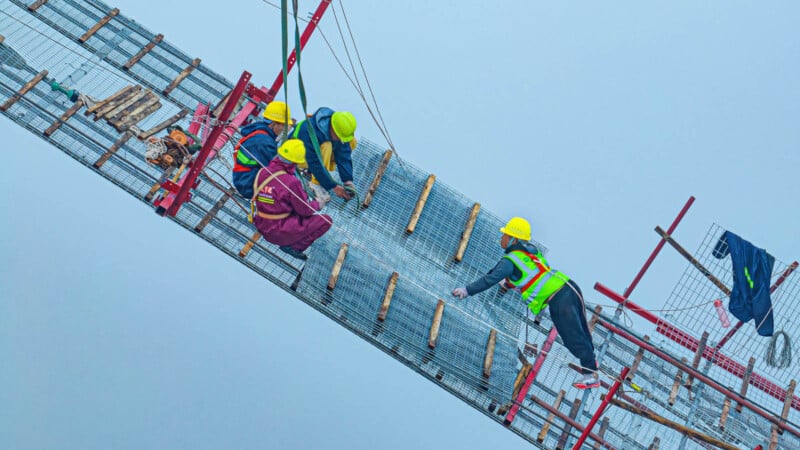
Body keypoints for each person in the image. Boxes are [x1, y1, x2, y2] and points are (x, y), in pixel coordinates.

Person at [451, 217, 600, 389]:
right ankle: (591, 365)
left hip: (559, 299)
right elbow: (527, 275)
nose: (502, 239)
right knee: (581, 332)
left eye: (505, 235)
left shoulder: (510, 260)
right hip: (569, 286)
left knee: (572, 337)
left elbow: (490, 279)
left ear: (513, 239)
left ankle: (591, 375)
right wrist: (509, 282)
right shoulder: (530, 251)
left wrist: (467, 290)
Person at [250, 139, 331, 261]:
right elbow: (305, 210)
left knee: (286, 205)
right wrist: (319, 203)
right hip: (278, 231)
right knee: (326, 221)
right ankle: (294, 247)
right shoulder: (291, 182)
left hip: (262, 224)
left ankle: (289, 240)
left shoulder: (263, 172)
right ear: (295, 162)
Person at [290, 107, 357, 201]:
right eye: (339, 136)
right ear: (332, 128)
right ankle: (316, 183)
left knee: (351, 142)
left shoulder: (337, 127)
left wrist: (348, 181)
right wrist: (333, 186)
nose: (339, 139)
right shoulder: (309, 130)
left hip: (312, 159)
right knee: (327, 145)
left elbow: (343, 155)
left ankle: (320, 174)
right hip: (296, 157)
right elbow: (314, 162)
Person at [232, 101, 292, 198]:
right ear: (274, 123)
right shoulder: (264, 142)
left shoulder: (259, 132)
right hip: (249, 184)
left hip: (244, 178)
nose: (283, 130)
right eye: (283, 126)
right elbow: (277, 169)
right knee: (282, 200)